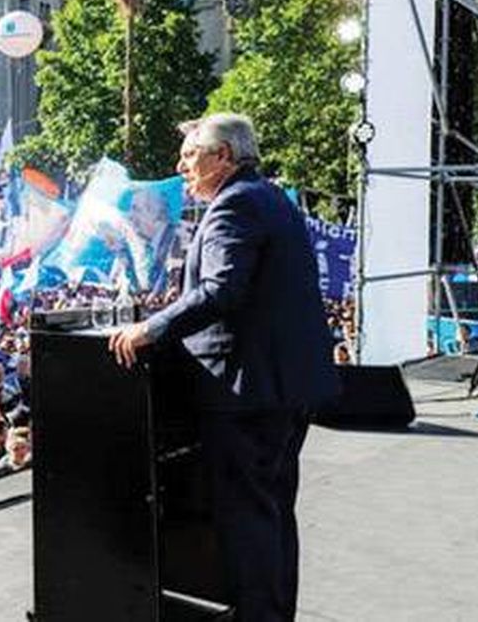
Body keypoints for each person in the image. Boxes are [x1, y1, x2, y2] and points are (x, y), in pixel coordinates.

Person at [110, 114, 338, 622]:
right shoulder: (269, 196)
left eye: (191, 156)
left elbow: (220, 289)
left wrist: (150, 329)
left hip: (245, 391)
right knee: (274, 510)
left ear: (224, 158)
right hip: (280, 387)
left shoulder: (233, 206)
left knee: (248, 518)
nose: (181, 165)